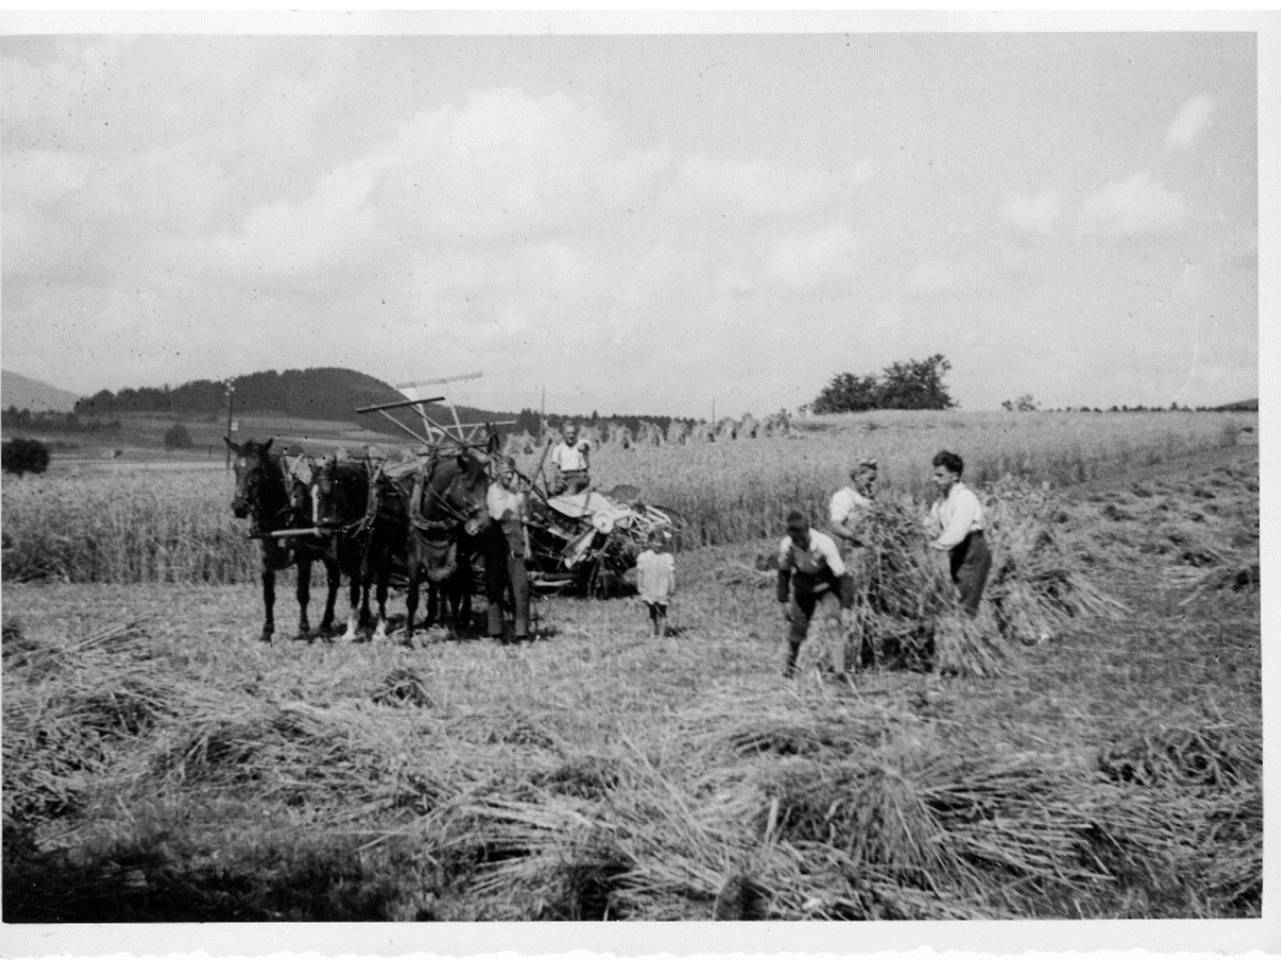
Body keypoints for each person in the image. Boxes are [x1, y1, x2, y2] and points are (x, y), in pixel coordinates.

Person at [776, 511, 855, 678]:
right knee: (798, 630)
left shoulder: (824, 543)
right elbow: (783, 574)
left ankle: (840, 672)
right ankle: (790, 668)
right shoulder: (787, 546)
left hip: (826, 586)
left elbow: (843, 577)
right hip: (804, 588)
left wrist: (847, 606)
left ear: (808, 530)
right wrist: (783, 600)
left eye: (803, 538)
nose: (800, 542)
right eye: (796, 539)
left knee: (833, 624)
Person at [927, 450, 991, 617]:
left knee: (965, 602)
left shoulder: (964, 497)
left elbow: (957, 532)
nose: (935, 479)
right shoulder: (941, 502)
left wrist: (935, 546)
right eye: (935, 475)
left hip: (972, 551)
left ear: (955, 476)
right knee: (956, 597)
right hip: (957, 552)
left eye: (940, 475)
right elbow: (931, 523)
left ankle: (965, 638)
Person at [828, 457, 878, 669]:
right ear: (857, 476)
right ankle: (846, 658)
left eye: (875, 479)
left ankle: (867, 655)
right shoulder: (843, 497)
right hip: (852, 558)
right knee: (852, 606)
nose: (872, 484)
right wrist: (858, 537)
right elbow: (836, 525)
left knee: (871, 607)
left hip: (871, 560)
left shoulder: (869, 498)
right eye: (869, 479)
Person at [484, 458, 532, 642]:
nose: (510, 475)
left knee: (520, 588)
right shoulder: (491, 491)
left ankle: (522, 634)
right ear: (497, 473)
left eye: (512, 472)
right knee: (495, 587)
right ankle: (496, 633)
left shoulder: (518, 494)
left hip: (515, 541)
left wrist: (527, 545)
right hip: (496, 540)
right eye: (506, 472)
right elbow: (491, 515)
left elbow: (525, 522)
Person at [636, 529, 676, 637]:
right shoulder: (644, 557)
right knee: (652, 612)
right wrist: (640, 586)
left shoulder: (667, 557)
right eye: (656, 542)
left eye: (661, 543)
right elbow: (640, 573)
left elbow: (671, 573)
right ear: (649, 542)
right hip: (649, 587)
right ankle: (652, 633)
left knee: (663, 611)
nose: (658, 545)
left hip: (663, 587)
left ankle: (662, 634)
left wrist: (672, 586)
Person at [550, 423, 591, 495]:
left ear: (576, 434)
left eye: (573, 433)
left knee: (572, 486)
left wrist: (584, 447)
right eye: (568, 433)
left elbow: (586, 446)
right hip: (565, 476)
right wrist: (556, 479)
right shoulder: (559, 447)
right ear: (563, 434)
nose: (571, 436)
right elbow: (554, 466)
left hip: (580, 476)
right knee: (551, 488)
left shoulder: (581, 443)